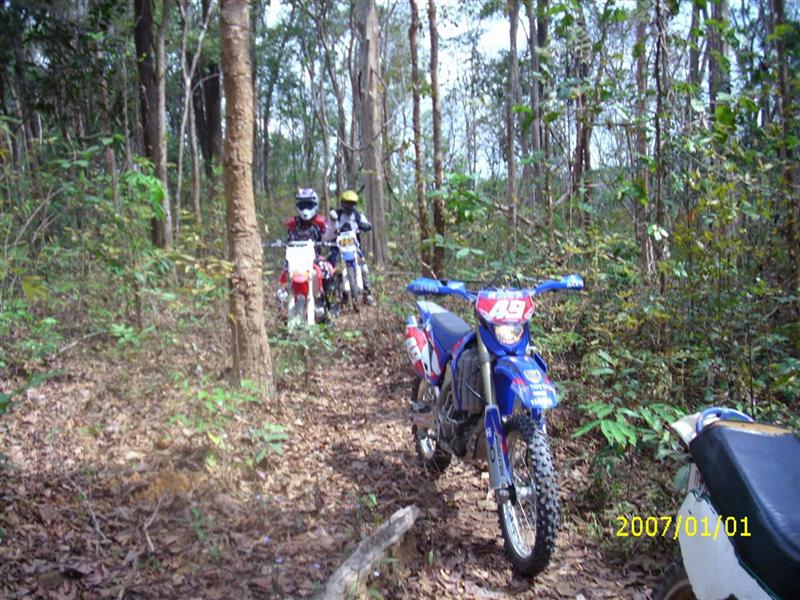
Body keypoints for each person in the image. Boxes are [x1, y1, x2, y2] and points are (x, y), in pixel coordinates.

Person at [283, 188, 337, 315]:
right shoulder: (293, 225)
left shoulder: (318, 224)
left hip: (314, 258)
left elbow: (327, 235)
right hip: (295, 259)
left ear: (315, 205)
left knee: (327, 270)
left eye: (308, 205)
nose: (305, 209)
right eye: (303, 205)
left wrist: (333, 223)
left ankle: (331, 306)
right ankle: (284, 297)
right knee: (285, 272)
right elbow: (288, 240)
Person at [328, 190, 374, 304]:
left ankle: (367, 294)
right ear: (342, 203)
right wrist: (332, 224)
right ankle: (332, 296)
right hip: (338, 247)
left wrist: (366, 225)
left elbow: (367, 224)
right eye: (347, 203)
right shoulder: (337, 215)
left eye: (352, 203)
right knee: (332, 268)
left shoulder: (358, 215)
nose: (349, 205)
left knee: (364, 268)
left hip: (354, 247)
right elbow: (329, 228)